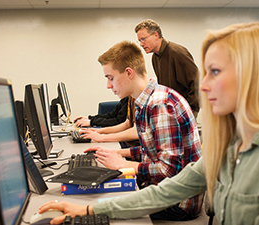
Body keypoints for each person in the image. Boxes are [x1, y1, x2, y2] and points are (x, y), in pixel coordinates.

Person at [37, 22, 259, 225]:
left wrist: (120, 164)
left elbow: (166, 172)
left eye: (216, 72)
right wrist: (90, 210)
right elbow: (165, 189)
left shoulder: (161, 104)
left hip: (180, 208)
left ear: (251, 75)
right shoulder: (228, 148)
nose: (203, 86)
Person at [135, 19, 200, 118]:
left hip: (185, 110)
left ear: (156, 35)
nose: (141, 44)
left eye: (143, 39)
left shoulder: (177, 53)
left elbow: (197, 82)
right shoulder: (155, 57)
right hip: (171, 110)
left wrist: (188, 108)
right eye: (139, 40)